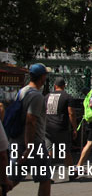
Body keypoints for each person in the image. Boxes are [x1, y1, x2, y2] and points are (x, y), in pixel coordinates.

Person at [7, 63, 51, 196]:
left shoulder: (22, 91)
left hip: (17, 140)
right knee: (45, 179)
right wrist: (29, 147)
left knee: (13, 179)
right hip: (33, 143)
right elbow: (30, 121)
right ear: (42, 77)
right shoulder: (37, 96)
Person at [44, 77, 78, 177]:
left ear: (55, 86)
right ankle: (71, 172)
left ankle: (47, 175)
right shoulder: (67, 97)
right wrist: (75, 128)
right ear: (64, 86)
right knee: (66, 151)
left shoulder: (47, 96)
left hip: (47, 127)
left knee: (49, 150)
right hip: (61, 127)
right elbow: (71, 113)